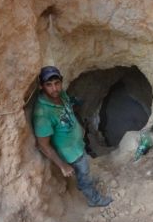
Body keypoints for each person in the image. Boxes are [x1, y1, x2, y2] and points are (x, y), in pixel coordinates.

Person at [33, 66, 112, 207]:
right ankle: (94, 199)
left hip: (78, 144)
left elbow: (69, 109)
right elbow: (43, 145)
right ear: (41, 86)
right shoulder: (42, 113)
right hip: (70, 153)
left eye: (57, 83)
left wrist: (79, 126)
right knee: (84, 172)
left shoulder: (61, 95)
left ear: (61, 82)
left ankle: (83, 182)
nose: (54, 88)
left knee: (84, 168)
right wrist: (63, 166)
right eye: (49, 85)